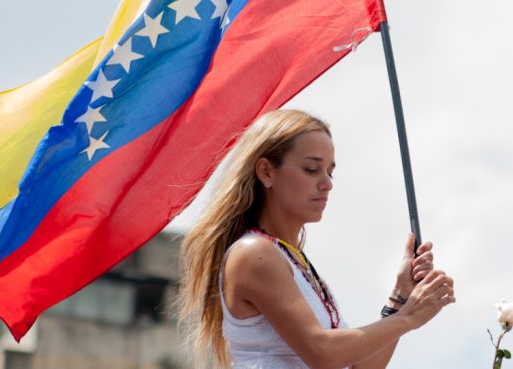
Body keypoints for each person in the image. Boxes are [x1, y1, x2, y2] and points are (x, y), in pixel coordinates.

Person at [179, 109, 455, 368]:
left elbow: (356, 365)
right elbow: (322, 352)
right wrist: (409, 318)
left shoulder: (291, 259)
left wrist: (399, 301)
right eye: (311, 169)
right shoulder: (253, 254)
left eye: (330, 171)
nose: (327, 183)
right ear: (266, 172)